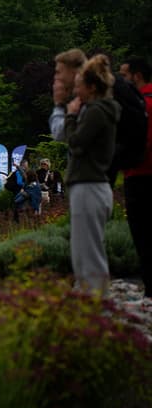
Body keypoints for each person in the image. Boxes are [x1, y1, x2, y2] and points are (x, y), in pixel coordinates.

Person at [65, 54, 121, 294]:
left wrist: (70, 116)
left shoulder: (96, 112)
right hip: (92, 186)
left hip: (89, 185)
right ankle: (92, 297)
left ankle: (96, 300)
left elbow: (76, 142)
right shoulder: (101, 111)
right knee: (84, 249)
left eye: (78, 85)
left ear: (90, 87)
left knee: (88, 251)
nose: (75, 90)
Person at [120, 57, 152, 300]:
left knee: (142, 236)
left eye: (125, 75)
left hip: (138, 176)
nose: (123, 81)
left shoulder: (138, 104)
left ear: (137, 76)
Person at [50, 48, 88, 142]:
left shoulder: (87, 101)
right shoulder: (84, 98)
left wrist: (58, 104)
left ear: (73, 72)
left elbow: (60, 134)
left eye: (58, 72)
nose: (56, 77)